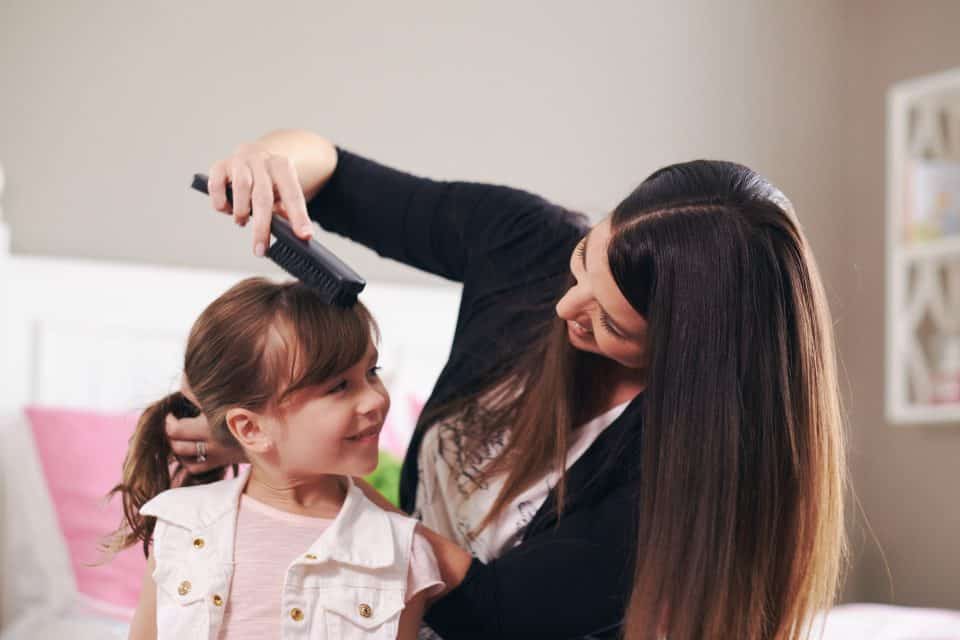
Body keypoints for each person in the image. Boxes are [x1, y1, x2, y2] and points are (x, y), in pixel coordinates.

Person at [167, 130, 848, 640]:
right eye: (584, 260)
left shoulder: (697, 469)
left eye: (610, 321)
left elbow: (498, 616)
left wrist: (294, 461)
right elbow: (332, 171)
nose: (566, 306)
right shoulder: (526, 244)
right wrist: (270, 159)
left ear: (687, 353)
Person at [110, 277, 445, 639]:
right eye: (339, 386)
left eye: (371, 372)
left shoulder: (402, 552)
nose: (375, 399)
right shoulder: (182, 524)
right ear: (250, 429)